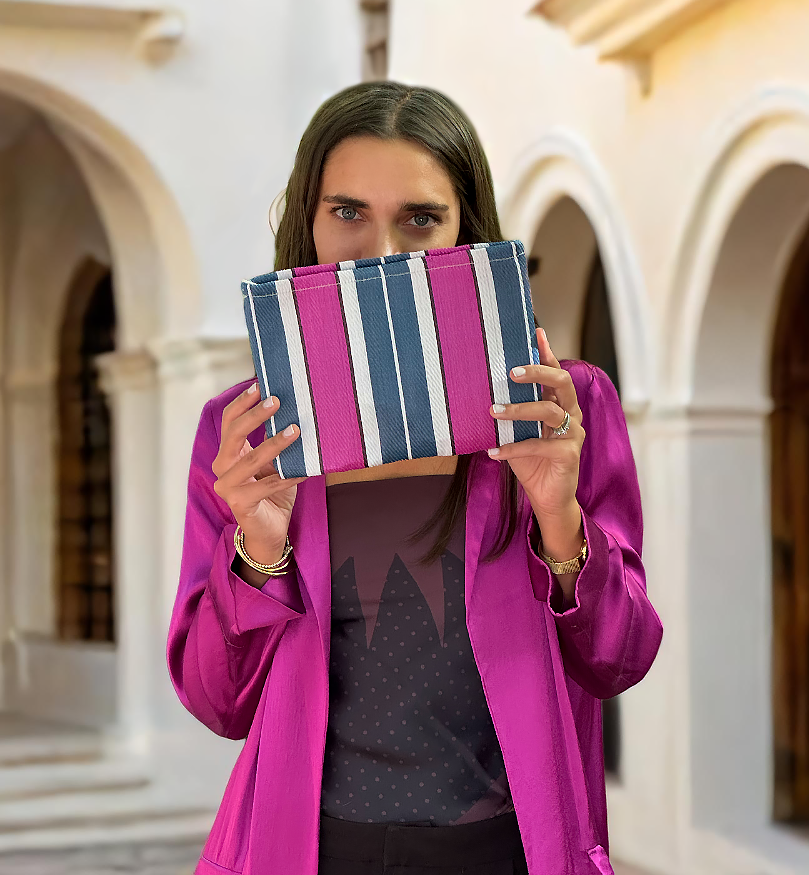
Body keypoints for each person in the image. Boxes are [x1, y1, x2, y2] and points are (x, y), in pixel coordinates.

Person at [167, 81, 663, 875]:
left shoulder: (561, 409)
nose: (383, 252)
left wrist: (559, 521)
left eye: (420, 218)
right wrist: (258, 550)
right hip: (306, 853)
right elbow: (218, 704)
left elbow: (618, 660)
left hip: (506, 852)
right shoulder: (247, 433)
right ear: (308, 221)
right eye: (348, 212)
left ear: (468, 230)